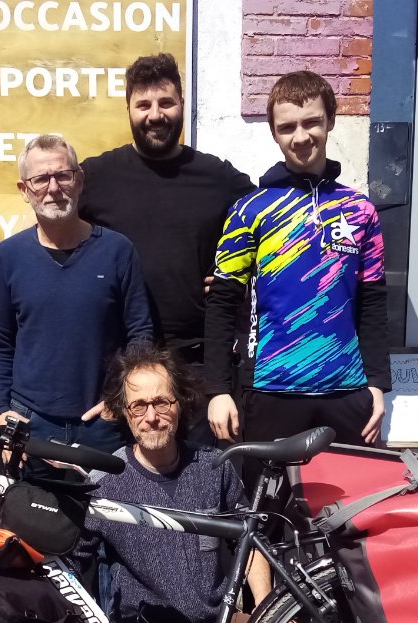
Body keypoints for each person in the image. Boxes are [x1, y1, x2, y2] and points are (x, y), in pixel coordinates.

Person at [66, 342, 268, 623]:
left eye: (163, 401)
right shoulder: (106, 485)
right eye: (139, 404)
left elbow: (247, 543)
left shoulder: (213, 470)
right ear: (122, 411)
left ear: (180, 405)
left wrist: (263, 613)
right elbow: (70, 568)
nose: (153, 415)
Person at [204, 71, 390, 447]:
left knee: (349, 505)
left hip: (348, 391)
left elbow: (373, 302)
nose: (301, 137)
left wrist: (377, 385)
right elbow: (222, 302)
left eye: (312, 123)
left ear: (331, 121)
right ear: (274, 132)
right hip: (271, 389)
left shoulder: (360, 210)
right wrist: (218, 389)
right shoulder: (249, 210)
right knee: (268, 507)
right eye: (287, 127)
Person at [79, 53, 254, 435]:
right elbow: (48, 225)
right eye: (143, 104)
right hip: (123, 369)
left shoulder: (217, 178)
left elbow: (271, 223)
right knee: (124, 489)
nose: (155, 114)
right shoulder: (96, 176)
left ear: (182, 106)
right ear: (128, 109)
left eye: (166, 103)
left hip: (198, 365)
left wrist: (243, 276)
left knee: (203, 482)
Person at [0, 133, 153, 454]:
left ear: (79, 181)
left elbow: (141, 334)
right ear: (25, 190)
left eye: (63, 175)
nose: (53, 188)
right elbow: (1, 344)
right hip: (28, 424)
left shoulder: (118, 250)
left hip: (103, 425)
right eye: (40, 179)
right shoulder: (8, 256)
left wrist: (120, 400)